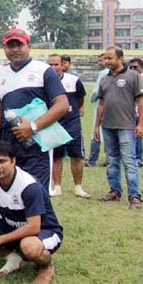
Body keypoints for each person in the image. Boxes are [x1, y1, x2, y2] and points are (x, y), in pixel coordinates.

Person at [0, 141, 62, 284]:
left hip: (44, 230)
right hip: (12, 225)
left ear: (13, 161)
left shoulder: (29, 186)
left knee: (29, 247)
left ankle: (46, 267)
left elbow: (33, 227)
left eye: (2, 161)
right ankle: (14, 259)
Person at [0, 28, 68, 192]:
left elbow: (62, 105)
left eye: (19, 44)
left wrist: (32, 127)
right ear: (4, 48)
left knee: (36, 192)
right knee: (11, 192)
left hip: (37, 143)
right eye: (10, 46)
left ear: (28, 45)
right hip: (8, 143)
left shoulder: (43, 70)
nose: (15, 49)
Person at [94, 46, 143, 208]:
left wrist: (141, 124)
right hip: (107, 126)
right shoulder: (105, 79)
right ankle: (114, 191)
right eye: (106, 59)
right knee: (112, 160)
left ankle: (135, 195)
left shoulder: (132, 77)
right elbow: (101, 104)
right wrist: (96, 126)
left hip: (126, 126)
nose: (107, 61)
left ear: (120, 59)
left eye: (110, 58)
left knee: (129, 160)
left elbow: (141, 102)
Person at [46, 54, 89, 198]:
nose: (53, 68)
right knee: (56, 157)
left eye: (56, 64)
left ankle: (78, 187)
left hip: (72, 123)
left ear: (62, 65)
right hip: (54, 124)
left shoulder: (73, 80)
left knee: (76, 156)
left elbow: (80, 98)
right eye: (50, 65)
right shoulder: (43, 82)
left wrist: (77, 109)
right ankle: (57, 186)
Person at [86, 53, 109, 167]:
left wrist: (91, 98)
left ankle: (92, 160)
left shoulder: (103, 74)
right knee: (108, 133)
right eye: (99, 61)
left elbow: (96, 92)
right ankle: (109, 159)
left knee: (96, 132)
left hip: (101, 105)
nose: (100, 63)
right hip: (112, 107)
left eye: (101, 60)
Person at [128, 58, 143, 166]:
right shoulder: (133, 77)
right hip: (133, 110)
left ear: (141, 67)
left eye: (135, 67)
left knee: (136, 135)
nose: (133, 69)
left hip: (139, 110)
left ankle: (138, 158)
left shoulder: (142, 77)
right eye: (131, 67)